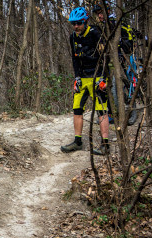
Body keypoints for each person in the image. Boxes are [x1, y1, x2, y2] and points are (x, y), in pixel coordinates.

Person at [60, 7, 110, 155]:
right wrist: (76, 77)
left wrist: (104, 78)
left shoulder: (95, 34)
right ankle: (77, 142)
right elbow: (74, 59)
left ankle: (105, 145)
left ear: (85, 22)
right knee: (77, 109)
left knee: (102, 110)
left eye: (79, 23)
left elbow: (106, 57)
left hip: (97, 76)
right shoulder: (73, 37)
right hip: (82, 77)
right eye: (73, 24)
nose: (76, 26)